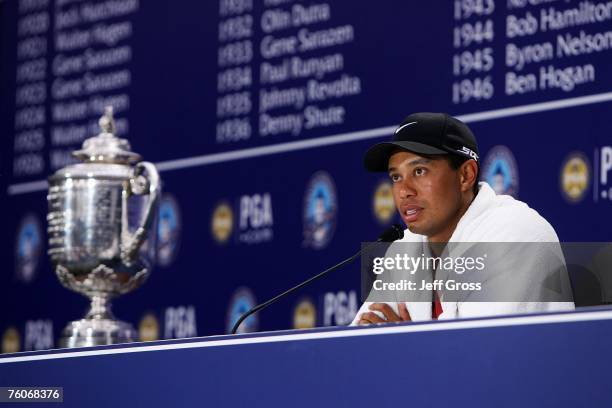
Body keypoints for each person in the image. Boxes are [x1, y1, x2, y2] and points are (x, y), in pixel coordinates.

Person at [351, 112, 574, 326]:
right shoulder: (404, 248)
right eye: (396, 177)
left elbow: (482, 352)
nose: (403, 191)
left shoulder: (514, 232)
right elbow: (357, 345)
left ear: (465, 175)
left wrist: (407, 345)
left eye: (419, 171)